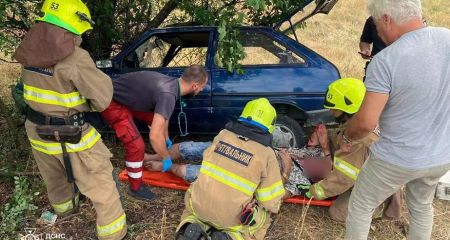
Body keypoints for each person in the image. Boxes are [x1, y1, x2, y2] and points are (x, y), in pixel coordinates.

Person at [145, 78, 402, 223]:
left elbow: (337, 180)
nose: (331, 113)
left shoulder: (356, 147)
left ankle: (166, 164)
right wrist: (320, 147)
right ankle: (164, 157)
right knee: (216, 149)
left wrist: (303, 185)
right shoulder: (351, 129)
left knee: (339, 214)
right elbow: (333, 160)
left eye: (334, 108)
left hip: (358, 178)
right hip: (283, 159)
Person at [14, 0, 127, 239]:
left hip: (36, 130)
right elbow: (102, 98)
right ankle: (114, 234)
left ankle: (65, 215)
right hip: (70, 133)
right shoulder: (76, 58)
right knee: (101, 182)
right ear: (74, 25)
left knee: (55, 178)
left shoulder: (28, 49)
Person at [340, 0, 450, 239]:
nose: (378, 33)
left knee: (361, 206)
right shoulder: (447, 38)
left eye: (377, 27)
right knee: (421, 207)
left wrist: (346, 136)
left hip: (396, 159)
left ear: (387, 19)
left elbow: (366, 123)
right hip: (441, 155)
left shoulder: (386, 60)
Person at [175, 98, 284, 240]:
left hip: (198, 205)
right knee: (264, 217)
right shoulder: (267, 154)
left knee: (193, 209)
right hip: (231, 219)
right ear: (270, 125)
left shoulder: (222, 135)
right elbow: (270, 201)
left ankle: (192, 224)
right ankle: (231, 236)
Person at [100, 66, 208, 201]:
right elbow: (154, 136)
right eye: (202, 87)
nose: (202, 90)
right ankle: (136, 187)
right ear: (195, 86)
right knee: (136, 145)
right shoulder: (168, 94)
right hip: (112, 101)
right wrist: (165, 158)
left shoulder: (172, 84)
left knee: (155, 121)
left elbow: (163, 116)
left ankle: (146, 157)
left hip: (124, 97)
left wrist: (167, 138)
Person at [359, 16, 387, 81]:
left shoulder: (407, 22)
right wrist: (365, 49)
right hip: (375, 69)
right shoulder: (373, 19)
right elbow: (365, 40)